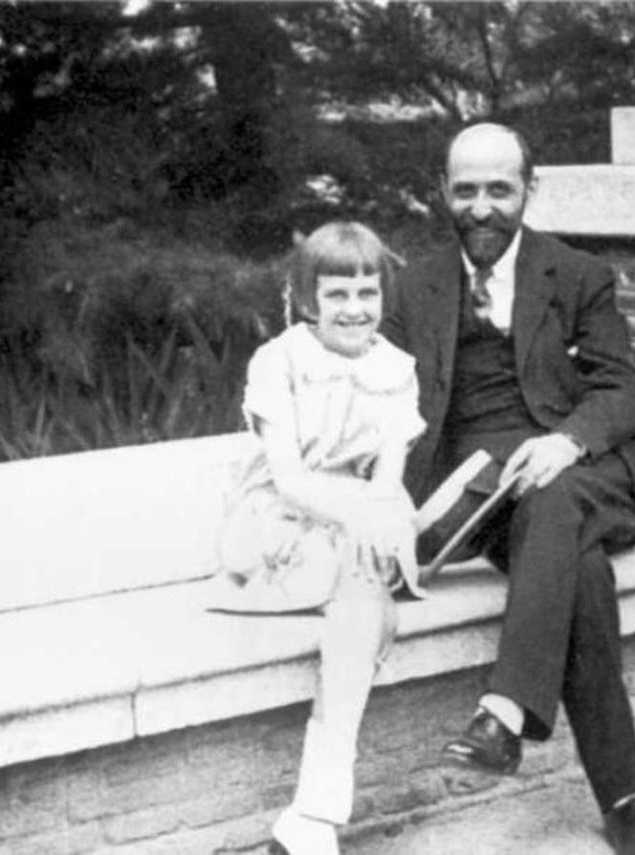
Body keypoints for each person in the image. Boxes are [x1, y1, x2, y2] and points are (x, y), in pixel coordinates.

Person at [381, 123, 635, 855]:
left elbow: (623, 390)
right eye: (466, 190)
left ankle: (505, 711)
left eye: (499, 190)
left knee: (557, 495)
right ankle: (627, 801)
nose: (482, 208)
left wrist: (566, 440)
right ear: (443, 193)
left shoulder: (577, 274)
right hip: (486, 495)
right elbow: (380, 400)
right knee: (578, 570)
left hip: (591, 469)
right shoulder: (414, 286)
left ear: (528, 192)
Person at [210, 221, 425, 855]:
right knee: (368, 596)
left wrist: (377, 513)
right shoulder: (279, 361)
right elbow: (290, 477)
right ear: (309, 300)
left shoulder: (396, 370)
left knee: (365, 590)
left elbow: (387, 480)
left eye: (367, 293)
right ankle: (316, 813)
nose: (355, 310)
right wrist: (363, 516)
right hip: (276, 519)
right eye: (337, 295)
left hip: (354, 518)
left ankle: (312, 820)